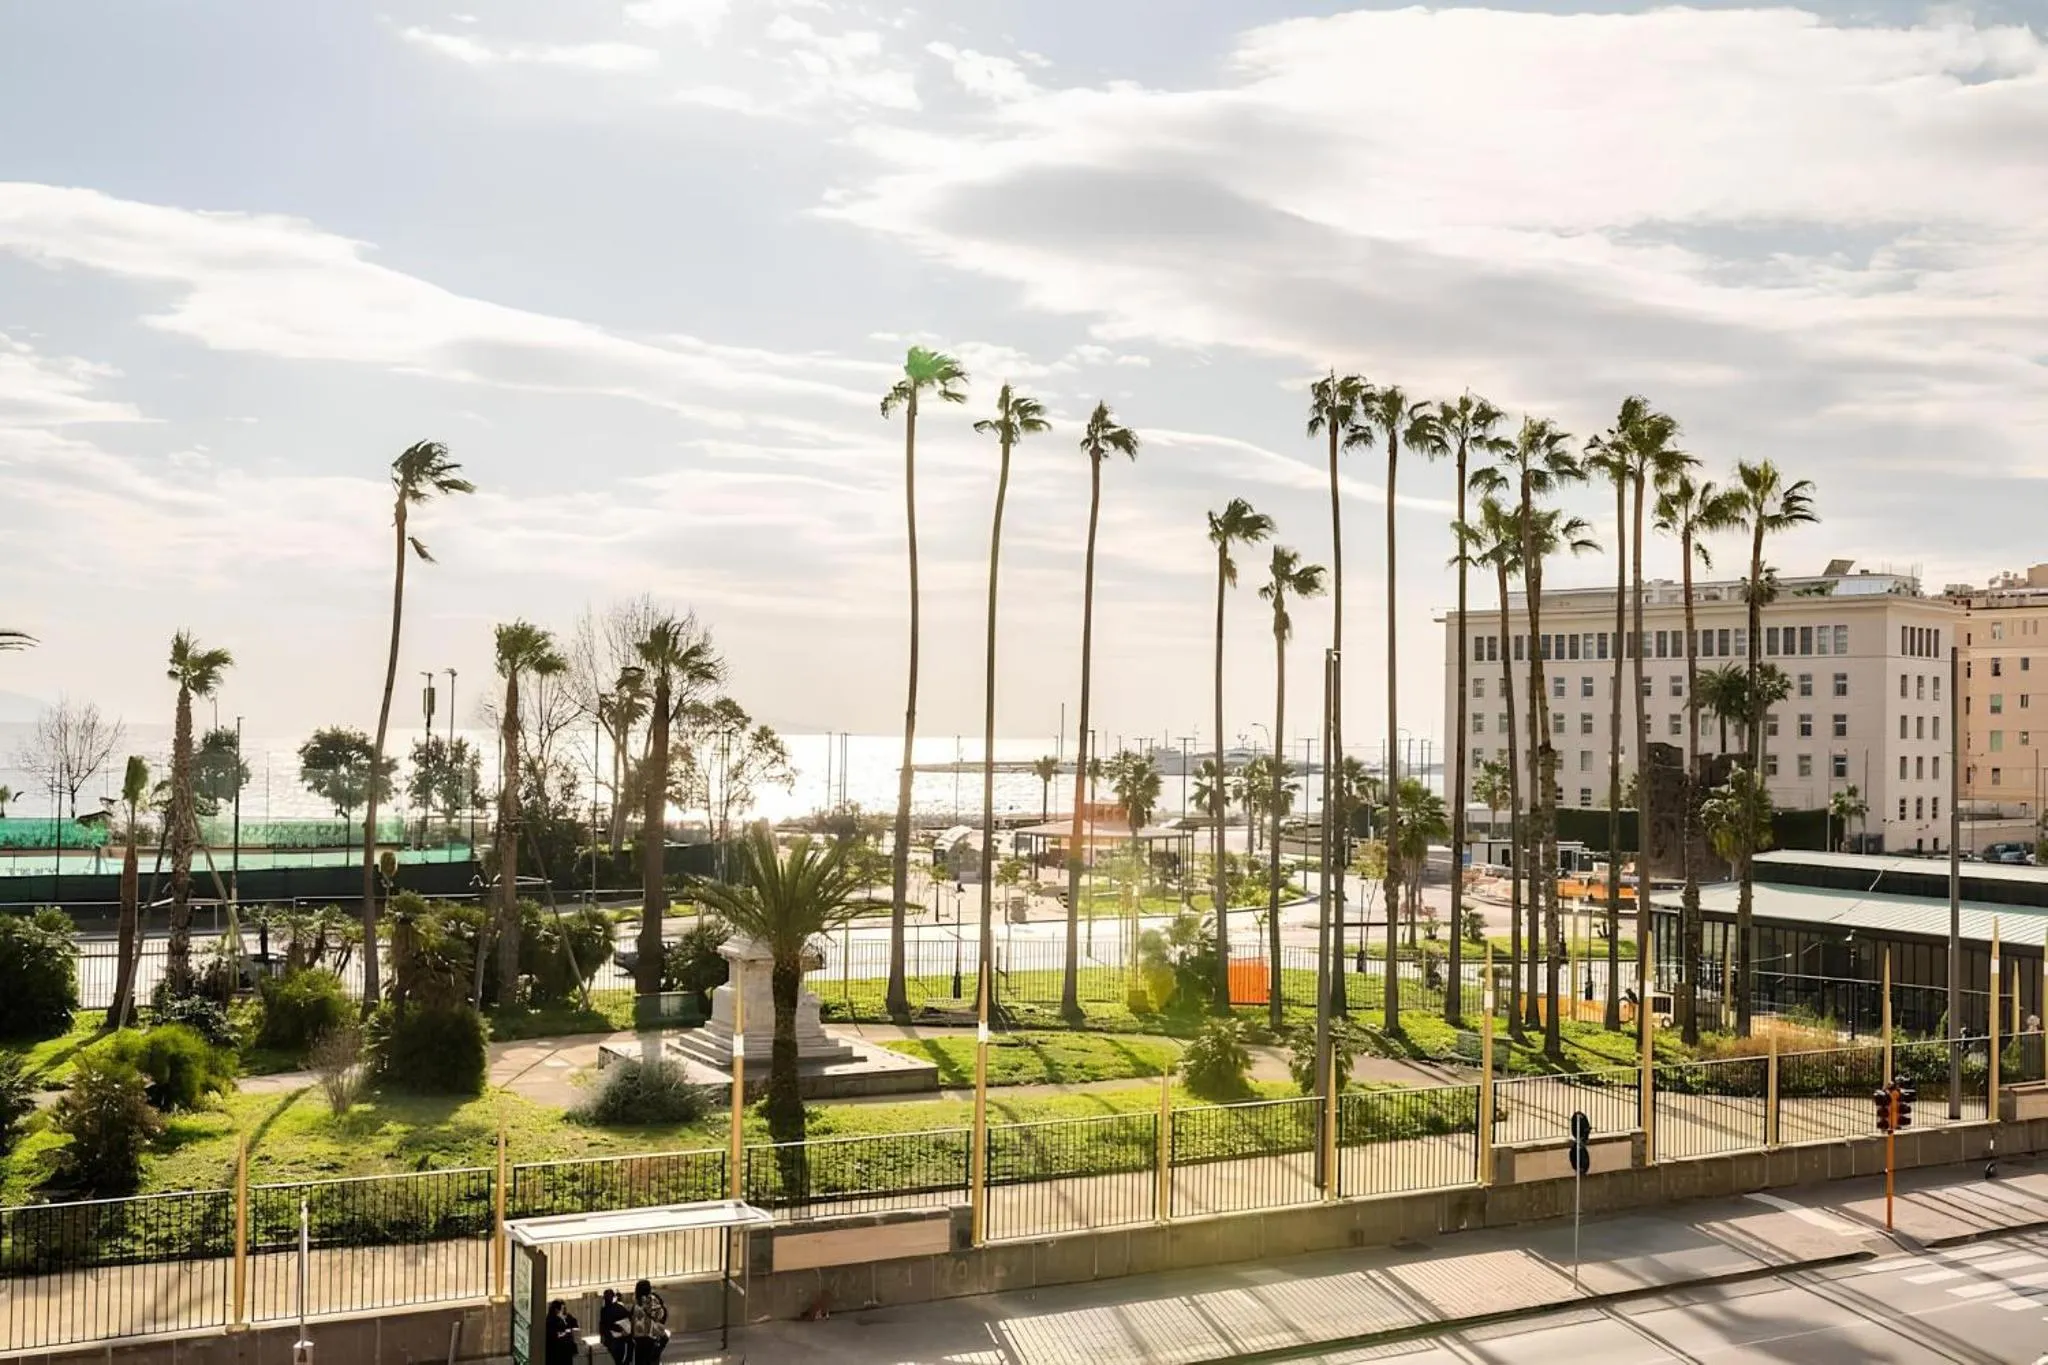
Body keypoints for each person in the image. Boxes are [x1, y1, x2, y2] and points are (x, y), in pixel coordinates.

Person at [629, 1278, 670, 1363]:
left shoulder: (636, 1303)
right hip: (650, 1335)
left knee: (640, 1361)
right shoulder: (651, 1299)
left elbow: (632, 1319)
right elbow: (659, 1315)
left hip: (638, 1338)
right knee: (651, 1360)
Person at [597, 1287, 631, 1365]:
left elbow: (604, 1325)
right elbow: (629, 1318)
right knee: (620, 1360)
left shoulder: (604, 1310)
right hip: (622, 1339)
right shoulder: (620, 1308)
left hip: (611, 1340)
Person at [544, 1299, 579, 1365]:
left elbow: (574, 1330)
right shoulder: (552, 1321)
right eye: (563, 1309)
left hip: (562, 1353)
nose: (565, 1311)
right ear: (556, 1310)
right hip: (558, 1353)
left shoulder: (567, 1318)